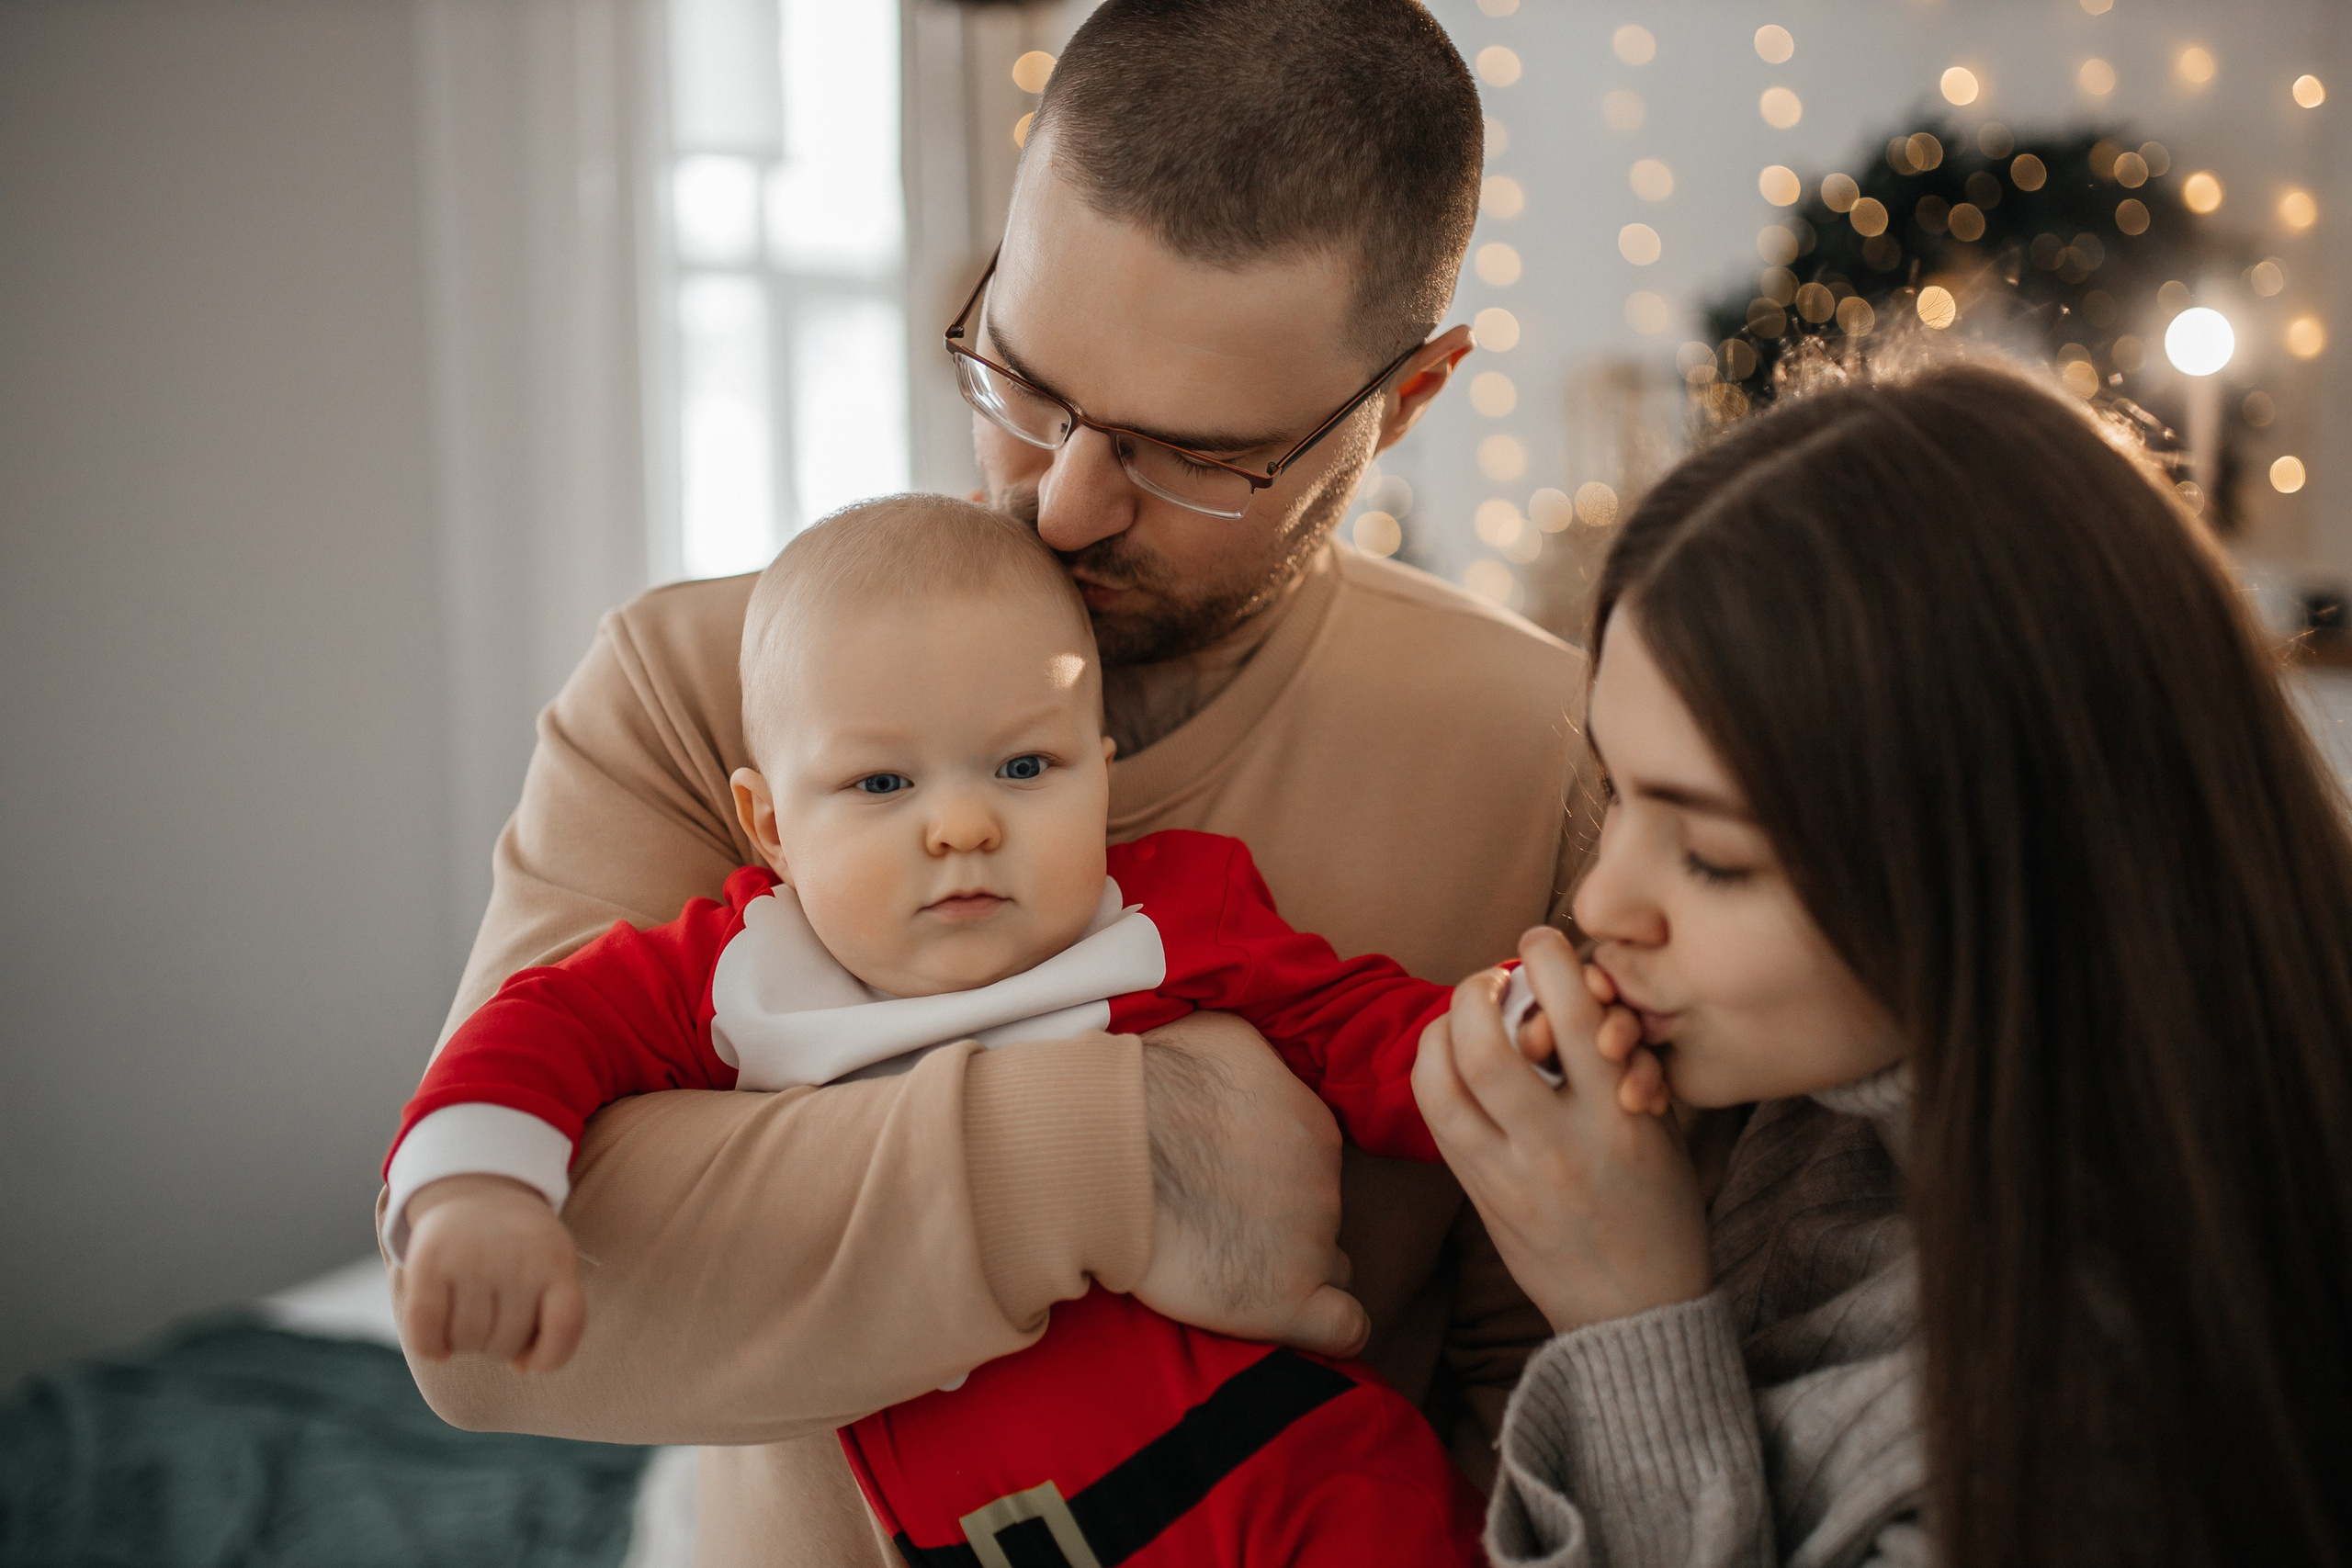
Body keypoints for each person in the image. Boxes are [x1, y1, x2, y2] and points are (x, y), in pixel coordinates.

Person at [389, 3, 1589, 1562]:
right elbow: (487, 1333)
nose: (1063, 502)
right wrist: (1106, 1152)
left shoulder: (1544, 752)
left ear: (1405, 403)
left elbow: (1543, 1389)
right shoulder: (698, 690)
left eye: (1193, 455)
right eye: (1019, 380)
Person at [386, 498, 1490, 1564]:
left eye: (1023, 768)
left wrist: (1506, 1045)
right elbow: (536, 1028)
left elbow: (1367, 1033)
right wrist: (481, 1186)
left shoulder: (1161, 918)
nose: (962, 825)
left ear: (1099, 780)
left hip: (1279, 1468)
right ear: (770, 824)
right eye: (880, 783)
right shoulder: (740, 971)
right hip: (1004, 1538)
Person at [1412, 357, 2352, 1566]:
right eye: (1616, 788)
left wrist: (1628, 1318)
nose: (1601, 898)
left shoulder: (2128, 1441)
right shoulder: (1827, 1105)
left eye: (1708, 852)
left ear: (2006, 855)